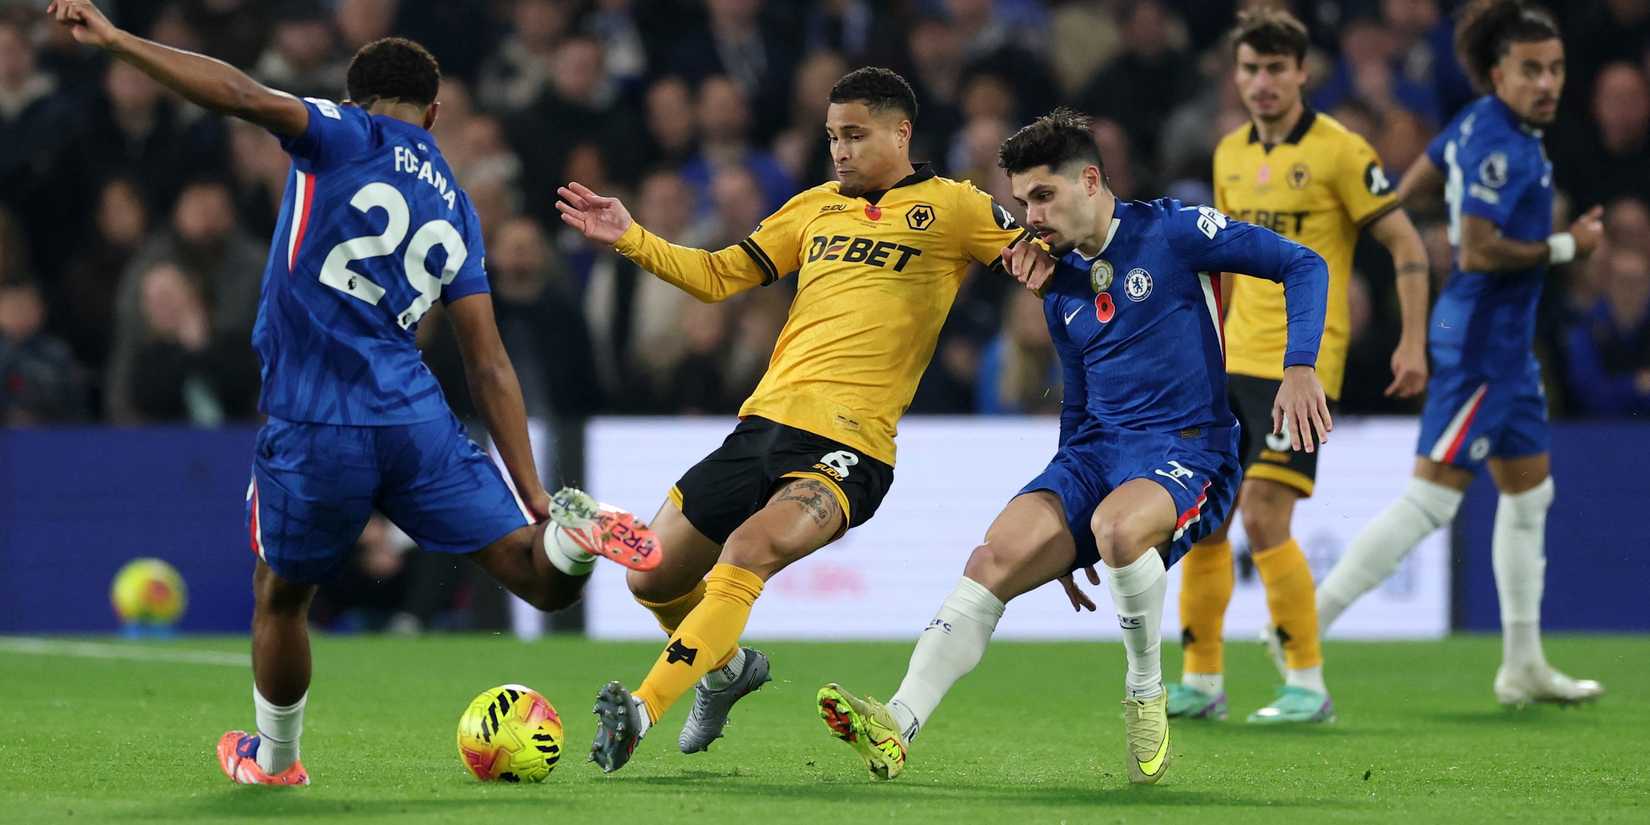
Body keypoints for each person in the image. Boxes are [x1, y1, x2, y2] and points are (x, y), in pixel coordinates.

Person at [46, 0, 662, 787]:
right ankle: (575, 535)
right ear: (434, 113)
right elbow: (489, 362)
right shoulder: (458, 203)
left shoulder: (342, 132)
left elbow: (238, 94)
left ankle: (275, 761)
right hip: (414, 414)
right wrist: (535, 489)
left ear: (354, 94)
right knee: (536, 577)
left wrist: (119, 41)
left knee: (281, 594)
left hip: (316, 415)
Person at [555, 67, 1054, 773]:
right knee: (652, 579)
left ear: (900, 131)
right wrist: (632, 236)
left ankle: (640, 708)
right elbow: (721, 274)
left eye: (854, 135)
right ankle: (726, 673)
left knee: (748, 551)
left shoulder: (954, 207)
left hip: (851, 444)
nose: (839, 151)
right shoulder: (814, 207)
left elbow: (1040, 262)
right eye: (831, 137)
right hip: (764, 423)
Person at [814, 109, 1331, 785]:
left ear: (1090, 180)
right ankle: (897, 723)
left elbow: (1303, 262)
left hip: (1188, 446)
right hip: (1094, 453)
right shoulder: (1058, 288)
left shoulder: (1174, 231)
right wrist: (1063, 512)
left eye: (1042, 196)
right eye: (1023, 200)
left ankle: (1146, 692)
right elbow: (1080, 401)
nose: (1030, 215)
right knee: (994, 554)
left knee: (1117, 530)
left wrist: (1299, 365)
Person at [1314, 0, 1605, 707]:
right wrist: (1569, 247)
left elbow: (1417, 180)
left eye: (1556, 69)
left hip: (1504, 346)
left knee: (1530, 494)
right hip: (1479, 344)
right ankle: (1305, 623)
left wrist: (1385, 221)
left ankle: (1523, 664)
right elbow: (1477, 248)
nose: (1548, 83)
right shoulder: (1500, 144)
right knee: (1429, 502)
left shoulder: (1478, 124)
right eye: (1531, 70)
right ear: (1498, 73)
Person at [1168, 7, 1432, 725]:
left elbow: (1406, 244)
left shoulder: (1343, 153)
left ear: (1302, 73)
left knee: (1264, 512)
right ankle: (1201, 676)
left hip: (1301, 367)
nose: (1261, 83)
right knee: (1208, 519)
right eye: (1250, 69)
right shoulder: (1226, 155)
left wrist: (1413, 341)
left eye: (1275, 69)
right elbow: (1221, 263)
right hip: (1227, 363)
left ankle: (1308, 683)